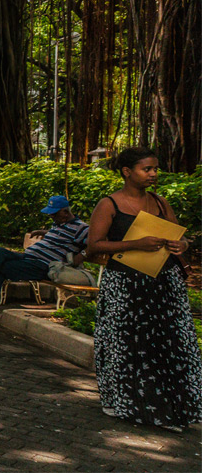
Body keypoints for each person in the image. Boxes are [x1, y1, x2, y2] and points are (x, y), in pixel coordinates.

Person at [86, 147, 200, 430]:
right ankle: (123, 401)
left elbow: (179, 237)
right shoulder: (109, 204)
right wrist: (135, 244)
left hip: (164, 283)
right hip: (124, 284)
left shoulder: (160, 203)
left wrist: (181, 245)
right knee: (124, 343)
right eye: (146, 169)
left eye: (155, 169)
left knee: (168, 342)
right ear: (127, 172)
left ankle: (169, 405)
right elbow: (93, 248)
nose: (153, 174)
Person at [0, 195, 89, 316]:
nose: (51, 216)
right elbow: (60, 235)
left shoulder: (81, 228)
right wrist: (44, 232)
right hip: (28, 256)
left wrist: (81, 255)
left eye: (54, 213)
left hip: (44, 265)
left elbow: (93, 244)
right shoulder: (59, 223)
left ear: (65, 212)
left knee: (2, 268)